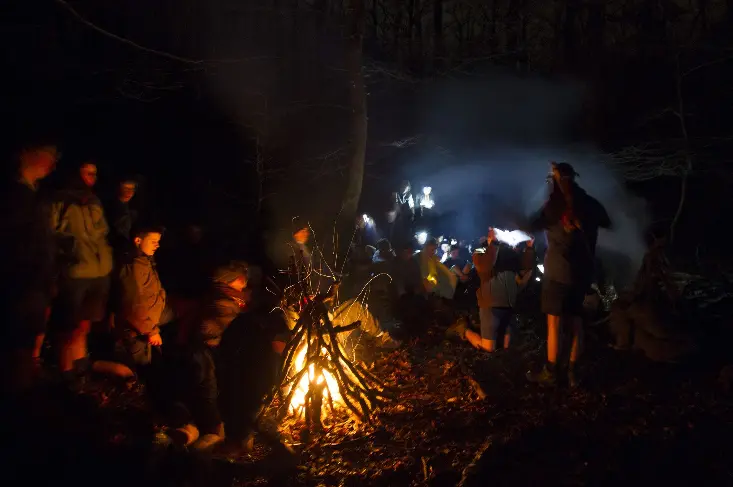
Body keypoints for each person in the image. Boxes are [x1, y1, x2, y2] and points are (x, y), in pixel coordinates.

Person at [525, 162, 611, 387]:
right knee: (577, 322)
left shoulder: (553, 207)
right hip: (582, 274)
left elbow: (530, 224)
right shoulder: (590, 204)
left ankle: (551, 372)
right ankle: (574, 372)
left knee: (553, 323)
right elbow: (607, 221)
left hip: (557, 273)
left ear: (555, 181)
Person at [0, 141, 58, 396]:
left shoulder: (34, 194)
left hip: (35, 281)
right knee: (17, 344)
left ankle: (23, 391)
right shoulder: (13, 196)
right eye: (45, 155)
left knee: (27, 340)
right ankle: (17, 400)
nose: (51, 163)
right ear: (25, 154)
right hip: (20, 282)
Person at [51, 160, 114, 388]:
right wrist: (64, 259)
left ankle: (80, 370)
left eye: (94, 174)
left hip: (99, 271)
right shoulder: (59, 199)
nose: (91, 177)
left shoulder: (94, 200)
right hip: (75, 271)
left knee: (85, 324)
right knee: (68, 325)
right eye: (86, 173)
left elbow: (102, 232)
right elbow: (51, 234)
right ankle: (65, 374)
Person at [465, 230, 533, 352]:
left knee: (505, 347)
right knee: (488, 349)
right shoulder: (481, 249)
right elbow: (483, 265)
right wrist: (493, 244)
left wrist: (529, 248)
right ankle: (464, 331)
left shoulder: (510, 252)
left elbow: (525, 266)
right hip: (491, 304)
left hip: (508, 303)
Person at [116, 226, 172, 368]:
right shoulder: (133, 266)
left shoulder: (145, 261)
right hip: (137, 331)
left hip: (148, 324)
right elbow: (132, 304)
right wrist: (152, 331)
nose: (157, 245)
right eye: (153, 241)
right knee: (139, 368)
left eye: (158, 241)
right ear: (138, 240)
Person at [106, 177, 138, 254]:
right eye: (126, 188)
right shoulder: (109, 208)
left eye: (132, 189)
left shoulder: (133, 208)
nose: (129, 192)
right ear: (119, 188)